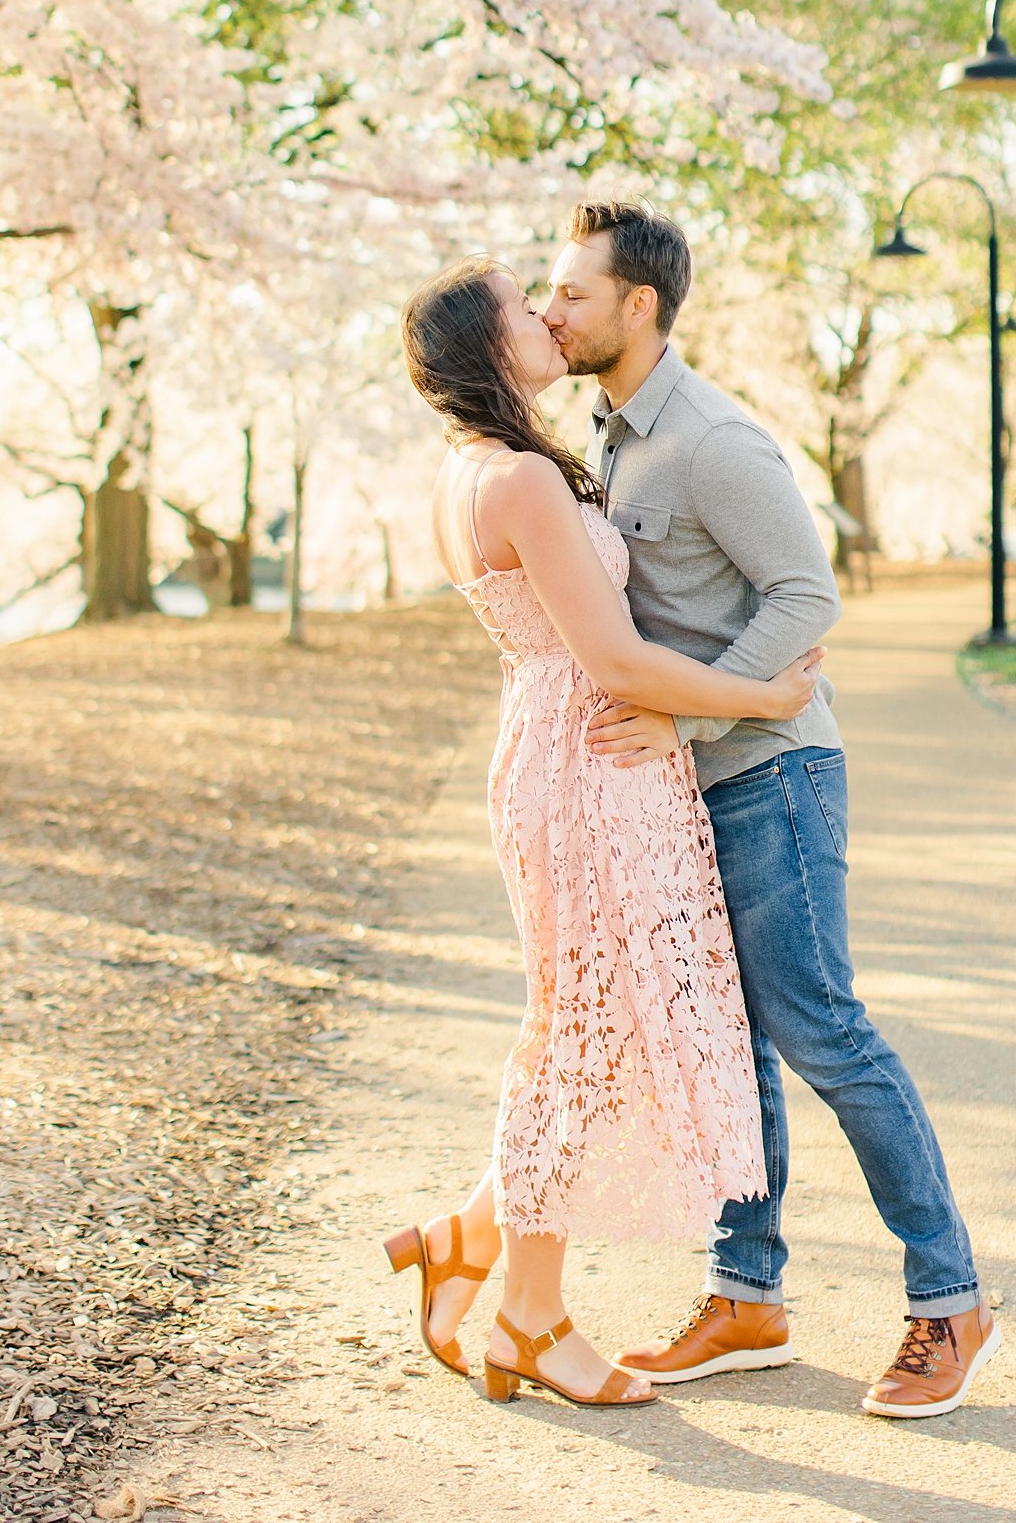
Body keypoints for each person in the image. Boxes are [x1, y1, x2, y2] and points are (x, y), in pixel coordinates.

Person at [544, 199, 1001, 1421]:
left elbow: (807, 600)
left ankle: (950, 1301)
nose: (553, 310)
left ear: (639, 306)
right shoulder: (608, 433)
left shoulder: (711, 440)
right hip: (688, 793)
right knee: (729, 1046)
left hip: (774, 776)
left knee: (825, 1034)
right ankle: (747, 1295)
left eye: (573, 293)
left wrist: (688, 721)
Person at [391, 257, 827, 1409]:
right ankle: (529, 1316)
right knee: (580, 1030)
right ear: (487, 352)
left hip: (561, 747)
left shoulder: (473, 470)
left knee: (591, 1024)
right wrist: (768, 698)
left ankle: (472, 1241)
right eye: (518, 312)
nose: (543, 316)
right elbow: (617, 661)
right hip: (589, 756)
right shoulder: (523, 483)